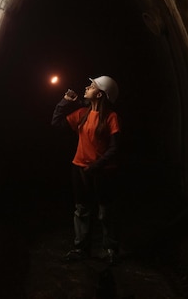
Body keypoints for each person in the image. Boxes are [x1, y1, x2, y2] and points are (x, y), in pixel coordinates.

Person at [51, 75, 121, 264]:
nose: (86, 88)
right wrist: (64, 102)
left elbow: (115, 148)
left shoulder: (111, 117)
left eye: (91, 86)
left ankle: (109, 249)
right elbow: (56, 123)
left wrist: (97, 165)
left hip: (103, 171)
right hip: (80, 168)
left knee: (105, 211)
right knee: (82, 209)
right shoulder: (82, 113)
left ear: (99, 94)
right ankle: (81, 248)